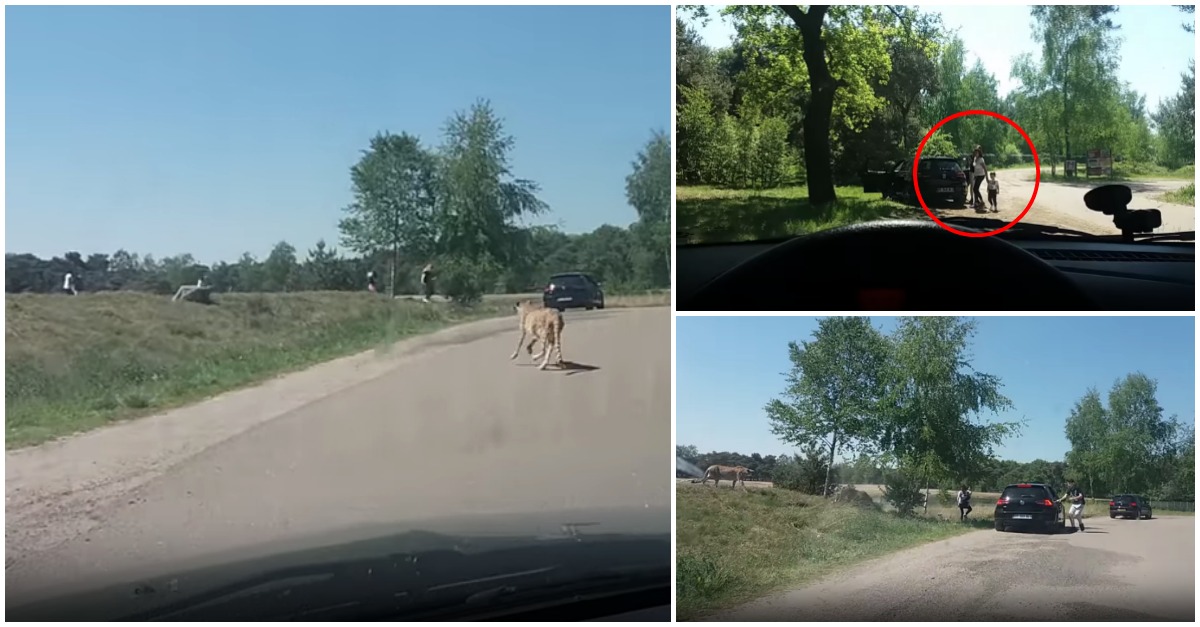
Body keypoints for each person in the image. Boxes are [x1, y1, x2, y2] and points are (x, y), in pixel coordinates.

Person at [970, 146, 989, 211]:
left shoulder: (981, 159)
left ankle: (981, 201)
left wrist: (987, 178)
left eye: (977, 153)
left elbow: (985, 169)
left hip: (981, 175)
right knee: (975, 189)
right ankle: (976, 203)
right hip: (976, 175)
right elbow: (974, 167)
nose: (976, 154)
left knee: (975, 188)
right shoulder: (975, 159)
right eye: (975, 153)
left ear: (979, 153)